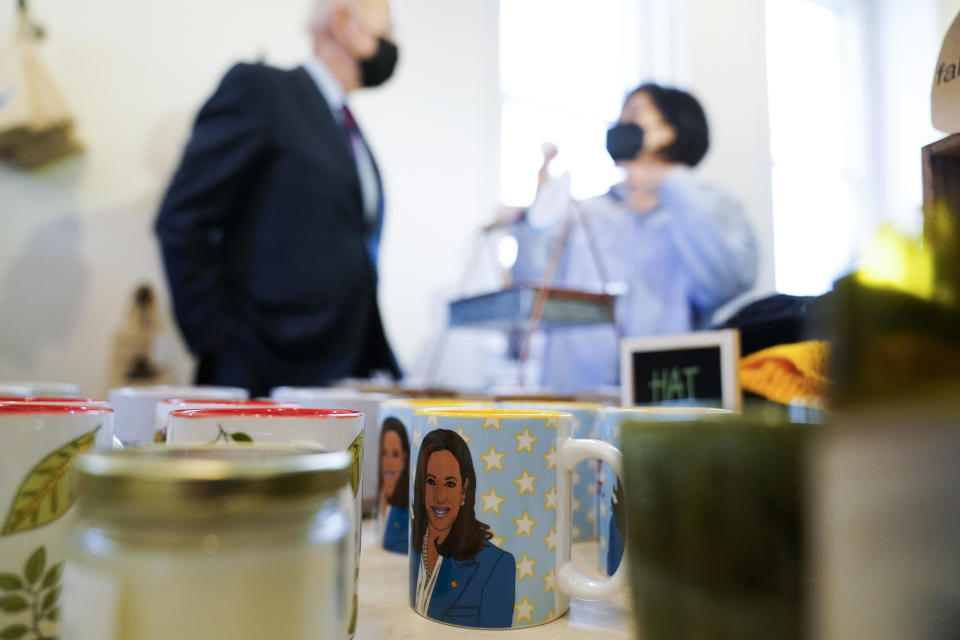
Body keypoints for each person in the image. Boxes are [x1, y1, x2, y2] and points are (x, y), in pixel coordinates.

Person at [154, 0, 401, 397]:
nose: (393, 44)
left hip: (343, 372)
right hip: (264, 372)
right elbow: (184, 219)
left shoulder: (347, 128)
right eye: (386, 31)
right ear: (342, 23)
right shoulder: (263, 91)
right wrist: (220, 342)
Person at [517, 83, 758, 393]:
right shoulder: (585, 214)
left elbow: (724, 283)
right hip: (576, 402)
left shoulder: (715, 207)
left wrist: (670, 182)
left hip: (668, 401)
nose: (620, 126)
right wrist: (539, 214)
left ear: (671, 130)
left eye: (634, 114)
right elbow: (529, 288)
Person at [409, 429, 515, 628]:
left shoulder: (496, 566)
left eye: (450, 484)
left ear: (464, 490)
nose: (439, 496)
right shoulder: (415, 546)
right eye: (431, 482)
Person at [379, 416, 410, 553]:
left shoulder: (406, 510)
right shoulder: (382, 493)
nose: (389, 462)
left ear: (404, 458)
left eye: (395, 454)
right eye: (384, 453)